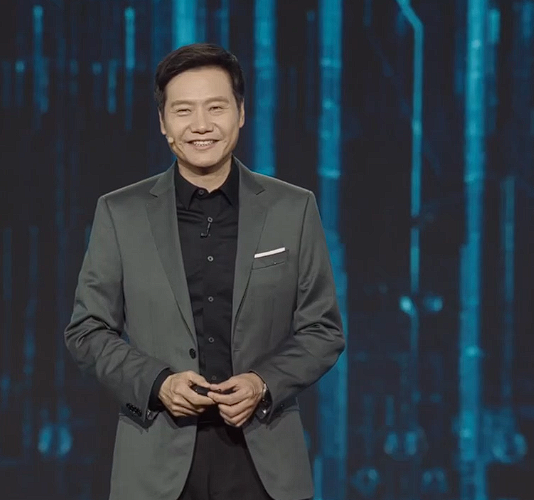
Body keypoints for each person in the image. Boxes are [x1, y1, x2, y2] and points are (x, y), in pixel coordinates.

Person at [64, 43, 345, 500]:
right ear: (163, 122)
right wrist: (158, 383)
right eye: (183, 110)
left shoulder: (292, 209)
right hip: (155, 463)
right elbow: (87, 330)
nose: (201, 125)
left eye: (216, 107)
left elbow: (323, 330)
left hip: (264, 461)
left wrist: (262, 383)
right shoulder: (120, 213)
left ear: (241, 113)